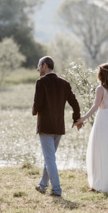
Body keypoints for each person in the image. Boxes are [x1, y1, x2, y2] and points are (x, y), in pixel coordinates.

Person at [32, 56, 81, 197]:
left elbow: (37, 102)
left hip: (46, 126)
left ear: (45, 66)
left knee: (49, 159)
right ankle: (42, 185)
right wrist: (76, 119)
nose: (37, 69)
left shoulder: (41, 83)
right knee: (50, 157)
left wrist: (34, 111)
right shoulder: (64, 83)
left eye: (39, 66)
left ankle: (57, 190)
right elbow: (75, 103)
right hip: (59, 127)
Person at [74, 63, 108, 193]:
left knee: (99, 151)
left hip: (103, 120)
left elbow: (95, 107)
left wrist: (82, 118)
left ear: (101, 75)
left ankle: (100, 185)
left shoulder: (100, 89)